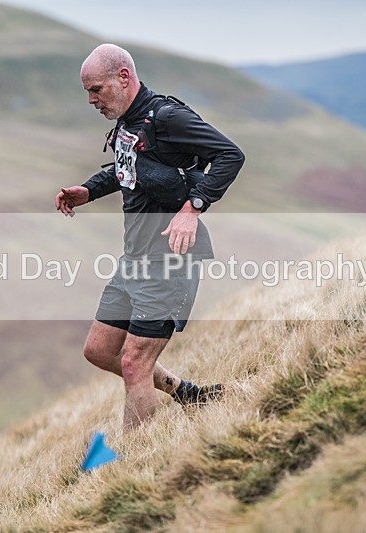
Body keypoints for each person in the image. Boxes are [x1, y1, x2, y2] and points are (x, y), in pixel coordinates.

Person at [55, 44, 245, 430]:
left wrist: (193, 208)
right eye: (87, 92)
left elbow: (230, 154)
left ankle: (136, 464)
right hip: (135, 259)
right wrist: (89, 190)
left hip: (171, 259)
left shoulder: (168, 117)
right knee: (100, 350)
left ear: (123, 77)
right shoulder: (129, 120)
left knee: (133, 363)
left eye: (96, 89)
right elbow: (129, 169)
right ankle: (187, 393)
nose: (91, 100)